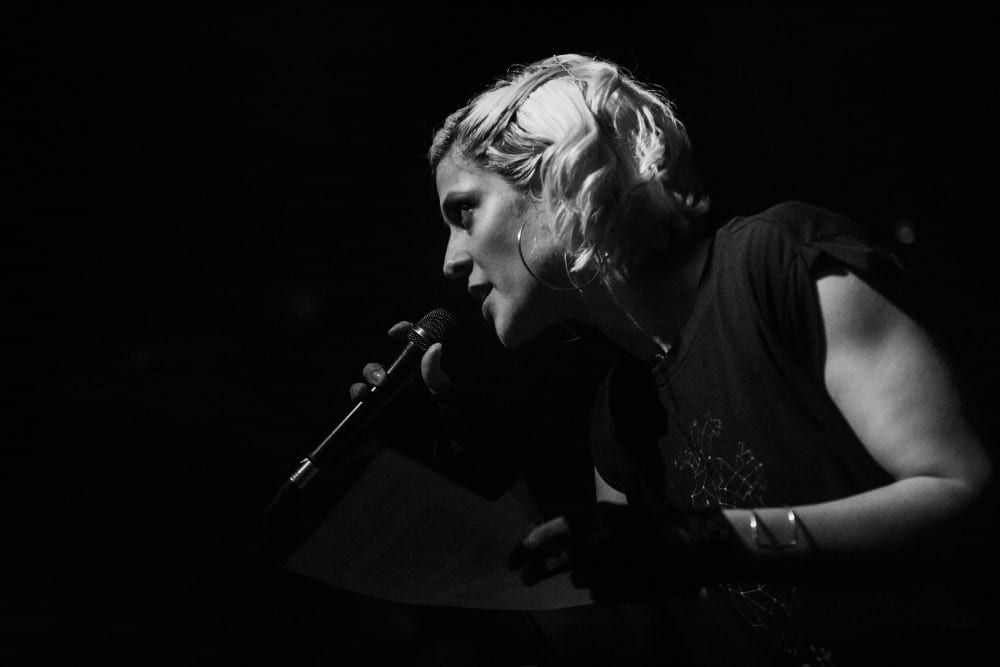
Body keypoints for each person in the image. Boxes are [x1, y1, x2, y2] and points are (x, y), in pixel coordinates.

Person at [351, 54, 996, 665]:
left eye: (465, 210)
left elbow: (964, 498)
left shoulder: (776, 265)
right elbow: (623, 646)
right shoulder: (617, 421)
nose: (450, 259)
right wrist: (475, 490)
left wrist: (701, 540)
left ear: (556, 174)